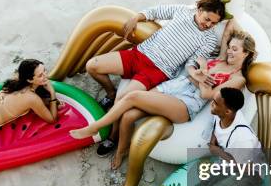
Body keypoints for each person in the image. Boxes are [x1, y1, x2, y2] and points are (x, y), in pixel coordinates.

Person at [71, 30, 257, 170]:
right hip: (176, 85)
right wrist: (198, 71)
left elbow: (209, 95)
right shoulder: (222, 58)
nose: (230, 52)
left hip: (187, 102)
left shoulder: (238, 78)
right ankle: (121, 148)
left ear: (246, 53)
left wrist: (203, 75)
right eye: (230, 47)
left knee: (133, 95)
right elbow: (207, 52)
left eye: (235, 49)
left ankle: (95, 128)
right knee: (128, 115)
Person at [86, 0, 226, 157]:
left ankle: (112, 138)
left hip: (158, 70)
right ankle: (110, 92)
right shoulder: (182, 11)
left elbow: (191, 62)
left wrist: (195, 73)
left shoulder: (209, 39)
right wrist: (136, 17)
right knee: (92, 66)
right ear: (200, 10)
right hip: (138, 55)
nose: (208, 25)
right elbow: (155, 11)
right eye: (207, 19)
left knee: (122, 99)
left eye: (214, 23)